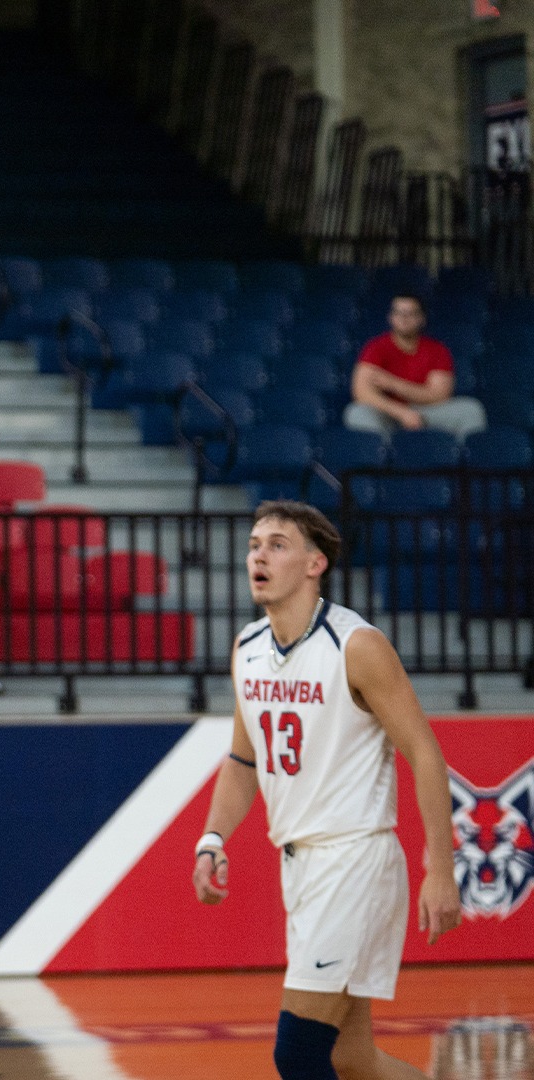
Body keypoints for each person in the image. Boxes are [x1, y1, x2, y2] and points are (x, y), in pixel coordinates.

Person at [193, 501, 462, 1080]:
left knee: (297, 1054)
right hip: (301, 866)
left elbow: (425, 754)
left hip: (354, 861)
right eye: (254, 544)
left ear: (316, 563)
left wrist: (440, 867)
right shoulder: (247, 646)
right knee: (352, 1058)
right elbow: (244, 759)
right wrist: (212, 837)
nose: (258, 555)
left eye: (276, 544)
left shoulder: (356, 645)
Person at [342, 294, 486, 441]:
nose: (404, 318)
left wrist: (393, 384)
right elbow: (361, 392)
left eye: (411, 313)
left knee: (471, 410)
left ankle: (462, 461)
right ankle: (384, 458)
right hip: (388, 412)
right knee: (356, 412)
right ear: (391, 318)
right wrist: (402, 412)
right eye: (398, 313)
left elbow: (439, 395)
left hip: (427, 412)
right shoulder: (376, 347)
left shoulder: (437, 350)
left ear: (421, 319)